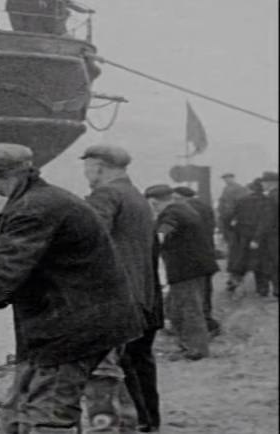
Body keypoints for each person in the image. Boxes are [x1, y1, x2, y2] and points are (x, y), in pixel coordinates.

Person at [0, 143, 143, 434]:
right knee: (18, 407)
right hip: (62, 326)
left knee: (48, 415)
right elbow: (15, 277)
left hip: (73, 330)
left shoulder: (33, 208)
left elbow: (5, 273)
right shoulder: (39, 201)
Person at [80, 145, 161, 433]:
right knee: (122, 369)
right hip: (137, 297)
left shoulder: (106, 195)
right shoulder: (137, 197)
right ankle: (136, 425)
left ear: (99, 167)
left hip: (109, 300)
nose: (86, 174)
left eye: (87, 167)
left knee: (102, 373)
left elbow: (85, 239)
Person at [145, 184, 217, 361]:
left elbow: (165, 229)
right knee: (182, 308)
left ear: (153, 202)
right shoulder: (185, 208)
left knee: (189, 309)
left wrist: (155, 239)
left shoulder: (171, 213)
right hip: (196, 267)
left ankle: (196, 350)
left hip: (186, 269)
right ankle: (190, 346)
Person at [171, 186, 220, 336]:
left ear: (180, 197)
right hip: (207, 252)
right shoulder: (205, 207)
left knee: (193, 295)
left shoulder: (183, 210)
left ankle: (203, 326)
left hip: (191, 256)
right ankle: (207, 320)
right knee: (205, 290)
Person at [226, 181, 272, 296]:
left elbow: (228, 215)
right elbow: (265, 221)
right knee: (260, 263)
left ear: (251, 189)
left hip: (241, 234)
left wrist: (232, 227)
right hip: (260, 236)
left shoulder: (242, 201)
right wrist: (257, 237)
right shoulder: (267, 201)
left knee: (239, 260)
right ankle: (262, 289)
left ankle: (234, 281)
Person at [254, 171, 278, 297]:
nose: (262, 184)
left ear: (271, 182)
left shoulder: (271, 197)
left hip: (273, 236)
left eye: (264, 182)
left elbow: (267, 220)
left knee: (272, 262)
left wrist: (257, 238)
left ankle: (275, 290)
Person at [217, 173, 250, 248]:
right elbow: (222, 201)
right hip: (226, 215)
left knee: (233, 235)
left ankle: (234, 250)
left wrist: (236, 216)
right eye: (224, 179)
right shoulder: (226, 188)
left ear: (232, 178)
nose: (225, 180)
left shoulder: (238, 188)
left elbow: (240, 203)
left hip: (232, 215)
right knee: (226, 233)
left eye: (227, 178)